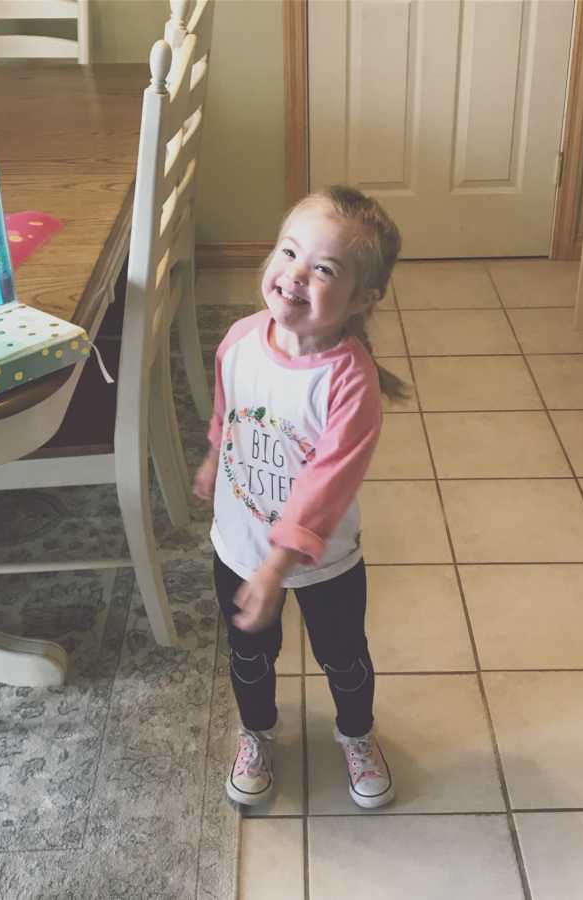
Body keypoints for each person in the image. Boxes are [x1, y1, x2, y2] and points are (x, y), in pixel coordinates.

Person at [193, 185, 405, 810]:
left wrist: (278, 567)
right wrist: (212, 457)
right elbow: (226, 411)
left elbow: (326, 486)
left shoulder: (349, 382)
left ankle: (357, 735)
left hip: (323, 561)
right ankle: (257, 733)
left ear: (362, 298)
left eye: (324, 269)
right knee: (249, 654)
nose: (295, 275)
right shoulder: (238, 339)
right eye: (289, 252)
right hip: (237, 546)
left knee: (344, 656)